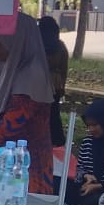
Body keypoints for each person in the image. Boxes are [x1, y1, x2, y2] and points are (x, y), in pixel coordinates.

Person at [0, 12, 56, 196]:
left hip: (26, 170)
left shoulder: (32, 74)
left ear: (14, 39)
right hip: (1, 164)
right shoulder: (5, 66)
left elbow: (10, 125)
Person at [38, 16, 70, 147]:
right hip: (55, 84)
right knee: (54, 114)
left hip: (38, 83)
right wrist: (62, 86)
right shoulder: (60, 46)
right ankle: (57, 140)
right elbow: (64, 69)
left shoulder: (37, 44)